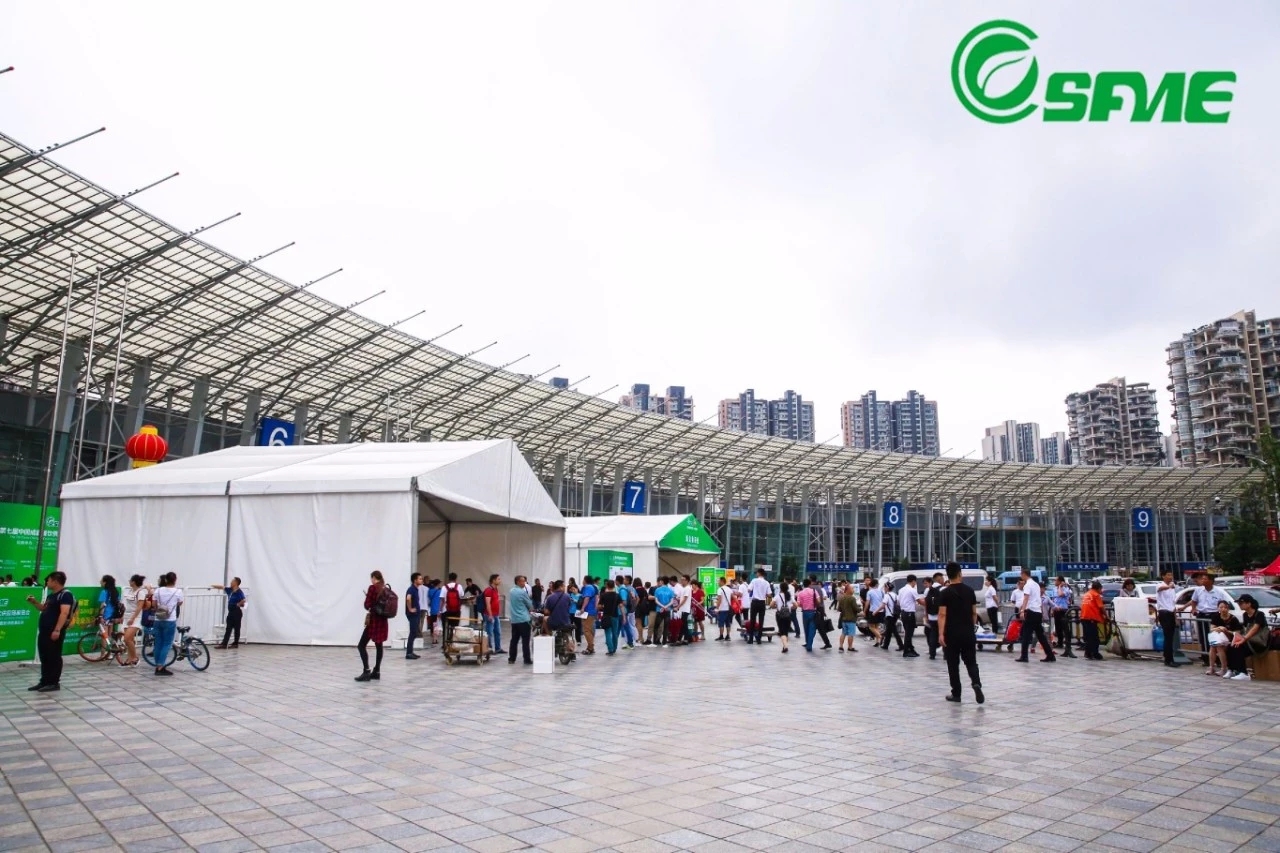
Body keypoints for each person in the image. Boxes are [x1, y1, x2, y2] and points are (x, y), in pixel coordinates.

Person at [938, 562, 984, 704]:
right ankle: (976, 682)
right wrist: (972, 626)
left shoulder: (944, 593)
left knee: (953, 664)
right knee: (971, 662)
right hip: (967, 632)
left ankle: (956, 693)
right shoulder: (969, 591)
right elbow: (974, 613)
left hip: (951, 633)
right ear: (959, 574)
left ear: (948, 575)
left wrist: (941, 634)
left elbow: (942, 615)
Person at [26, 571, 75, 692]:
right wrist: (34, 602)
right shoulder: (51, 595)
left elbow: (64, 613)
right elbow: (44, 608)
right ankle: (44, 681)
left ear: (55, 581)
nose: (47, 582)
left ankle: (53, 683)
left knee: (54, 656)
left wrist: (57, 630)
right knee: (45, 656)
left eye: (48, 580)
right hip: (45, 631)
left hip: (54, 631)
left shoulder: (65, 595)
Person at [1183, 573, 1230, 666]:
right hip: (1202, 614)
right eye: (1202, 579)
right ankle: (1206, 658)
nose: (1202, 581)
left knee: (1216, 637)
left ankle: (1218, 659)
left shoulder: (1218, 592)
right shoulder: (1198, 590)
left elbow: (1224, 603)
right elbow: (1194, 601)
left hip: (1214, 615)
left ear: (1211, 581)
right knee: (1203, 637)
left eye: (1205, 579)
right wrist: (1193, 609)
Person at [1225, 593, 1270, 681]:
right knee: (1231, 646)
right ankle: (1232, 669)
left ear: (1249, 604)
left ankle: (1244, 673)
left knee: (1239, 647)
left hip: (1259, 642)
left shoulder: (1259, 614)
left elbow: (1255, 629)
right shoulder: (1245, 615)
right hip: (1249, 640)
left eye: (1241, 603)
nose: (1239, 605)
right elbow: (1245, 630)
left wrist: (1243, 639)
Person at [1016, 567, 1056, 663]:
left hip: (1031, 612)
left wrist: (1022, 610)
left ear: (1024, 574)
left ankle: (1024, 656)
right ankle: (1050, 655)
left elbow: (1026, 598)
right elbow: (1038, 599)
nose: (1021, 576)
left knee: (1025, 634)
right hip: (1037, 612)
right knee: (1041, 636)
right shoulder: (1036, 585)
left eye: (1021, 574)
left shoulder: (1027, 585)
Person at [355, 571, 389, 682]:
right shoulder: (385, 588)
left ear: (374, 578)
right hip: (383, 621)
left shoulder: (372, 588)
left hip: (374, 621)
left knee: (361, 645)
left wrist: (370, 602)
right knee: (379, 645)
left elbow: (367, 604)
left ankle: (366, 671)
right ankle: (377, 671)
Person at [150, 572, 185, 677]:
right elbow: (180, 603)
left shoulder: (158, 590)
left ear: (165, 580)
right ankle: (160, 667)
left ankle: (157, 665)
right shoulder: (178, 591)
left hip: (158, 619)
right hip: (170, 619)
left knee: (158, 643)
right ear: (175, 580)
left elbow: (154, 604)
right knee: (167, 644)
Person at [210, 578, 247, 649]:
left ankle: (235, 643)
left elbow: (244, 600)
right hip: (231, 612)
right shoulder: (229, 590)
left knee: (237, 628)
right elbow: (222, 587)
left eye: (232, 581)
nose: (231, 582)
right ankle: (224, 644)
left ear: (236, 583)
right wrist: (212, 586)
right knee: (228, 628)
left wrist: (238, 604)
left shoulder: (239, 592)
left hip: (237, 612)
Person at [120, 575, 149, 666]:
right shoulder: (130, 591)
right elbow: (126, 605)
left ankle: (135, 658)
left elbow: (139, 607)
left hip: (135, 618)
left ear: (133, 582)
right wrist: (123, 616)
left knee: (127, 638)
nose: (129, 581)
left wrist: (133, 618)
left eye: (130, 580)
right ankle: (130, 658)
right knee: (130, 640)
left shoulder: (140, 592)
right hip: (127, 616)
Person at [1207, 600, 1241, 677]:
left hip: (1230, 640)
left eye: (1225, 607)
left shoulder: (1233, 618)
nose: (1223, 609)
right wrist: (1219, 628)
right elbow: (1211, 629)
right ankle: (1211, 667)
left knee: (1219, 647)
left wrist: (1226, 631)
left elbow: (1237, 633)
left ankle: (1224, 668)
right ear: (1218, 608)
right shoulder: (1216, 616)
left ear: (1228, 608)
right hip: (1219, 639)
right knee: (1213, 646)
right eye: (1221, 607)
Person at [1154, 570, 1180, 668]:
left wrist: (1175, 617)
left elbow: (1173, 604)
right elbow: (1160, 589)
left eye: (1171, 575)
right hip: (1164, 612)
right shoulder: (1160, 585)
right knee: (1167, 637)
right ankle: (1168, 659)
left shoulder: (1172, 588)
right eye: (1168, 575)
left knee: (1170, 637)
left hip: (1171, 612)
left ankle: (1168, 657)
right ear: (1163, 576)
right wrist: (1169, 586)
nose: (1170, 577)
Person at [507, 575, 534, 665]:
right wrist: (531, 608)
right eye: (522, 581)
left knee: (514, 640)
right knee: (525, 640)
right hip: (524, 619)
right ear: (518, 582)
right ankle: (527, 659)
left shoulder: (511, 591)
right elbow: (530, 605)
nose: (524, 583)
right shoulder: (522, 592)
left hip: (514, 620)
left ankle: (511, 658)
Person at [1050, 577, 1076, 658]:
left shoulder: (1066, 589)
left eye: (1056, 580)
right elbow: (1053, 599)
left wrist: (1060, 587)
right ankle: (1060, 642)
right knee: (1058, 627)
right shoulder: (1054, 589)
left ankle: (1068, 645)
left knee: (1065, 628)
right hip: (1056, 610)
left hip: (1063, 610)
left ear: (1061, 582)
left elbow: (1061, 594)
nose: (1055, 582)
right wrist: (1052, 609)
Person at [1080, 580, 1105, 661]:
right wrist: (1106, 616)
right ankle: (1095, 653)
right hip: (1091, 618)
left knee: (1088, 637)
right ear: (1098, 588)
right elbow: (1101, 607)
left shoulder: (1086, 594)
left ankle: (1088, 653)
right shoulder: (1096, 595)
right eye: (1101, 589)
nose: (1101, 591)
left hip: (1084, 617)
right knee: (1094, 638)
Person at [402, 573, 425, 659]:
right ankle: (409, 653)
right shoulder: (411, 589)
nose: (421, 580)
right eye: (420, 579)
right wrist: (410, 609)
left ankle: (410, 651)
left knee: (414, 632)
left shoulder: (415, 589)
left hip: (416, 614)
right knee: (413, 632)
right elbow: (408, 598)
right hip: (413, 615)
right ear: (415, 580)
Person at [897, 575, 921, 657]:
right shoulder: (912, 590)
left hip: (903, 613)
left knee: (907, 632)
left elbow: (898, 601)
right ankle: (906, 651)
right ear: (913, 581)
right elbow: (919, 601)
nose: (915, 584)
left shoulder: (901, 590)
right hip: (910, 613)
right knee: (909, 633)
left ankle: (911, 649)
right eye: (915, 582)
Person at [746, 569, 771, 645]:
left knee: (752, 620)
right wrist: (763, 593)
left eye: (757, 573)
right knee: (761, 621)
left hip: (755, 602)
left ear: (759, 573)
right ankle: (759, 639)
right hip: (762, 603)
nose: (756, 574)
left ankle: (751, 639)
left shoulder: (754, 580)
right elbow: (769, 594)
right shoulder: (767, 583)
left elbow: (749, 590)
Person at [879, 579, 903, 652]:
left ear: (887, 588)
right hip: (895, 615)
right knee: (889, 631)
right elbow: (899, 604)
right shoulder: (895, 595)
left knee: (894, 631)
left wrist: (876, 611)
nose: (884, 588)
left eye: (884, 587)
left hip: (890, 616)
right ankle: (886, 645)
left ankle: (901, 645)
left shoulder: (887, 595)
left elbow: (883, 605)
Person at [836, 582, 861, 654]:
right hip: (851, 619)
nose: (853, 590)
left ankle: (841, 646)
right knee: (851, 634)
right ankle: (850, 647)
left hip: (844, 619)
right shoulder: (852, 598)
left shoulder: (842, 598)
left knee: (843, 633)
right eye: (852, 589)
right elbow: (856, 609)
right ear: (848, 590)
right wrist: (860, 609)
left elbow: (839, 609)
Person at [924, 573, 944, 659]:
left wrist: (926, 615)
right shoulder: (943, 589)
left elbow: (926, 604)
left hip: (931, 616)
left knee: (933, 635)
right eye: (942, 578)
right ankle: (946, 655)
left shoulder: (927, 590)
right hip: (941, 616)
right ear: (939, 579)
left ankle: (932, 654)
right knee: (944, 634)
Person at [599, 580, 622, 655]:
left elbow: (599, 606)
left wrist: (602, 607)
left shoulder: (603, 595)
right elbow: (621, 606)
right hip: (615, 616)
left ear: (607, 586)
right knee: (615, 633)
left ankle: (610, 649)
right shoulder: (617, 595)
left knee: (608, 633)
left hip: (606, 616)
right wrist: (624, 616)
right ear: (614, 586)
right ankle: (614, 648)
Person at [797, 577, 821, 652]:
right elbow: (819, 601)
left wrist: (803, 605)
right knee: (812, 629)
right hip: (813, 612)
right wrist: (814, 604)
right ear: (810, 584)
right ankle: (809, 645)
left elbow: (798, 604)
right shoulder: (814, 591)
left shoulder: (800, 593)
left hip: (805, 612)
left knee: (806, 628)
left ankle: (807, 642)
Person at [772, 580, 794, 654]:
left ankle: (786, 646)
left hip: (780, 615)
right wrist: (789, 608)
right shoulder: (789, 596)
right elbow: (796, 605)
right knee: (786, 631)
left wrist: (776, 606)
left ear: (780, 588)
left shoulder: (778, 596)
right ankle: (784, 647)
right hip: (788, 615)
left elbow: (771, 604)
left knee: (782, 632)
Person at [441, 573, 464, 646]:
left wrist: (440, 610)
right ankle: (452, 642)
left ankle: (444, 643)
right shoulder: (459, 586)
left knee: (445, 627)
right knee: (455, 627)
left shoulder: (444, 587)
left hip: (446, 610)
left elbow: (442, 600)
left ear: (449, 578)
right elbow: (461, 597)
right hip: (456, 610)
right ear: (456, 579)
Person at [483, 575, 503, 655]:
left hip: (496, 614)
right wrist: (490, 615)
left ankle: (498, 648)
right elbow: (488, 604)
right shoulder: (488, 590)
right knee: (489, 632)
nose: (500, 580)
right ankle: (489, 648)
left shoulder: (496, 589)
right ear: (493, 580)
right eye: (498, 579)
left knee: (497, 631)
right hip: (490, 614)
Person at [651, 577, 674, 646]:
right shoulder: (670, 590)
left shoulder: (657, 590)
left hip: (659, 610)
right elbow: (672, 601)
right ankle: (664, 642)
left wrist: (662, 606)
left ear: (662, 581)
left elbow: (656, 600)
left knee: (656, 626)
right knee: (666, 627)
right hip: (667, 610)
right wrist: (666, 607)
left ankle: (655, 642)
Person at [578, 576, 599, 654]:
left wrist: (582, 608)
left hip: (587, 612)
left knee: (586, 630)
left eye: (583, 580)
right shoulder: (594, 587)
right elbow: (597, 598)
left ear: (586, 580)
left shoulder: (588, 587)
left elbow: (586, 598)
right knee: (589, 630)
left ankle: (590, 648)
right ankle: (590, 647)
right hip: (591, 611)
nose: (582, 581)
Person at [865, 578, 885, 647]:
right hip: (880, 611)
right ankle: (877, 642)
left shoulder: (870, 592)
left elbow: (867, 602)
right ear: (876, 584)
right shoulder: (881, 591)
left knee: (871, 627)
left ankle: (880, 637)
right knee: (876, 626)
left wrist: (864, 610)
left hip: (873, 610)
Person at [714, 576, 734, 641]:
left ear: (722, 581)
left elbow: (719, 600)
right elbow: (733, 597)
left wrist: (717, 608)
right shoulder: (729, 589)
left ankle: (721, 636)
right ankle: (728, 636)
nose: (718, 582)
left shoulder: (720, 589)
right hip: (729, 609)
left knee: (721, 623)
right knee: (728, 623)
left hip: (722, 609)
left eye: (719, 581)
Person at [426, 579, 442, 645]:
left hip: (432, 609)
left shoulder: (429, 591)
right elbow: (441, 601)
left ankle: (433, 638)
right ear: (438, 584)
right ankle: (435, 639)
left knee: (433, 624)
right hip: (438, 610)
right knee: (436, 625)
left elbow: (429, 600)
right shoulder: (440, 591)